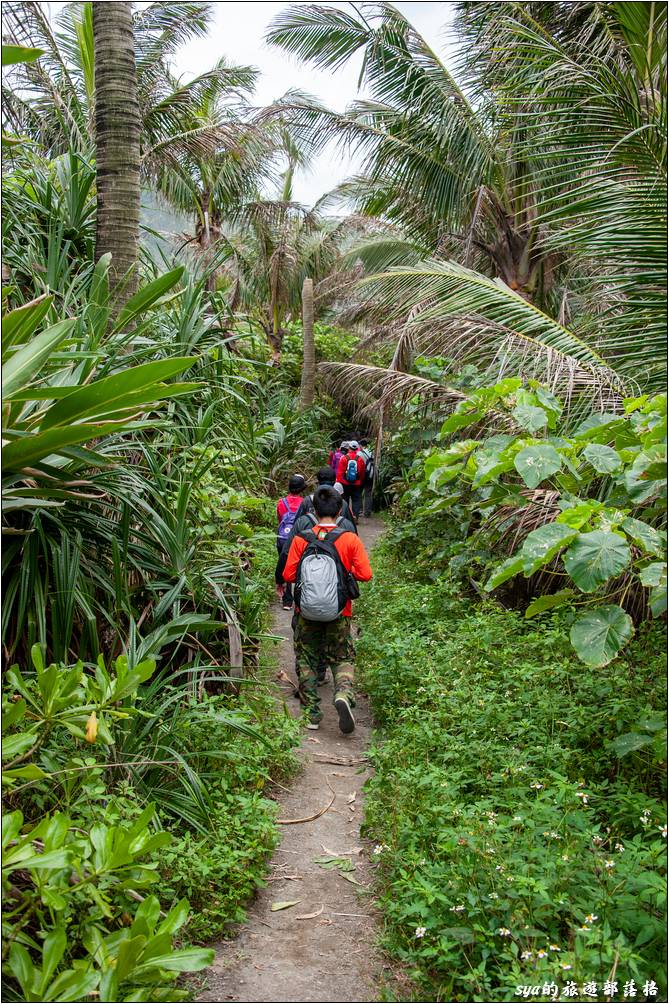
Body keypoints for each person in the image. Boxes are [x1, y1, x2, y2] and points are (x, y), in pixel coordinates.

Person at [282, 486, 372, 733]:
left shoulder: (301, 539)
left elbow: (288, 574)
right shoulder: (349, 539)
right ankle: (343, 693)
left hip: (305, 612)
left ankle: (312, 714)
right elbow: (366, 574)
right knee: (342, 657)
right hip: (340, 612)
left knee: (307, 657)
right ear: (340, 509)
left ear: (313, 510)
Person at [275, 474, 306, 609]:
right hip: (297, 539)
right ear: (301, 489)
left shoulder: (281, 502)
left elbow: (279, 520)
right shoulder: (304, 503)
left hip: (282, 538)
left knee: (284, 564)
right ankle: (298, 597)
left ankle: (287, 600)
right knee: (297, 566)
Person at [336, 440, 366, 520]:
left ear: (349, 448)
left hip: (345, 483)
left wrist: (339, 482)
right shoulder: (360, 459)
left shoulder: (343, 458)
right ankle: (355, 516)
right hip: (356, 484)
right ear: (357, 449)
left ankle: (345, 517)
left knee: (345, 500)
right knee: (356, 500)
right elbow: (362, 472)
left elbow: (340, 472)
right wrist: (360, 481)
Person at [358, 437, 375, 518]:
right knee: (368, 493)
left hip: (362, 475)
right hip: (370, 475)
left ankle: (360, 510)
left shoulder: (359, 453)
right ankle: (367, 512)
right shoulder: (372, 452)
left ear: (361, 445)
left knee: (359, 492)